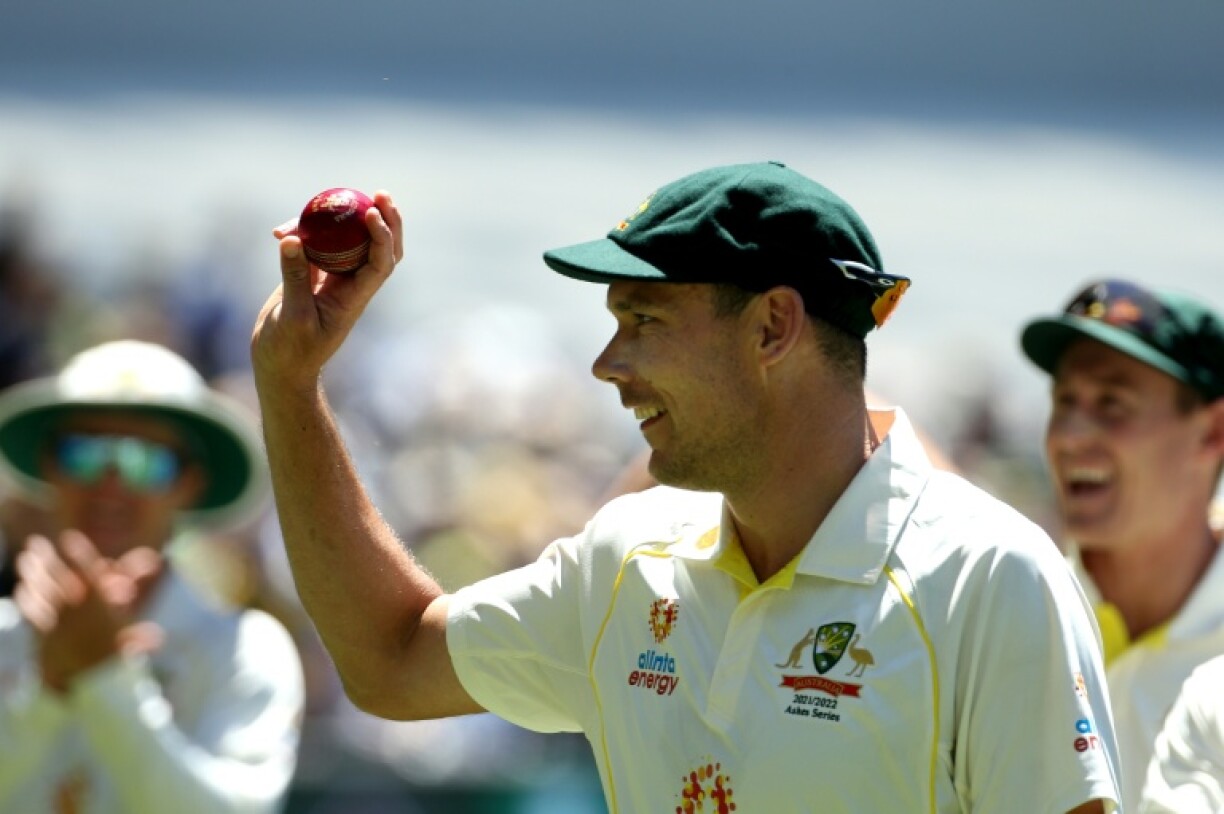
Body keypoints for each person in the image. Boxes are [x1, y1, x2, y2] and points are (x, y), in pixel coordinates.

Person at [252, 161, 1121, 812]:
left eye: (643, 318)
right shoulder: (628, 557)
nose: (607, 364)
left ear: (773, 326)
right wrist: (290, 385)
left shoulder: (989, 577)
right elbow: (390, 661)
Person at [0, 340, 305, 813]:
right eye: (84, 454)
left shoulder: (247, 650)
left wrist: (101, 677)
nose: (110, 483)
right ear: (49, 467)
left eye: (144, 462)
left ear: (189, 484)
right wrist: (51, 689)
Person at [1020, 278, 1224, 811]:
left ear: (1213, 432)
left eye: (1112, 403)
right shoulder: (1010, 611)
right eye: (1064, 400)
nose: (1069, 436)